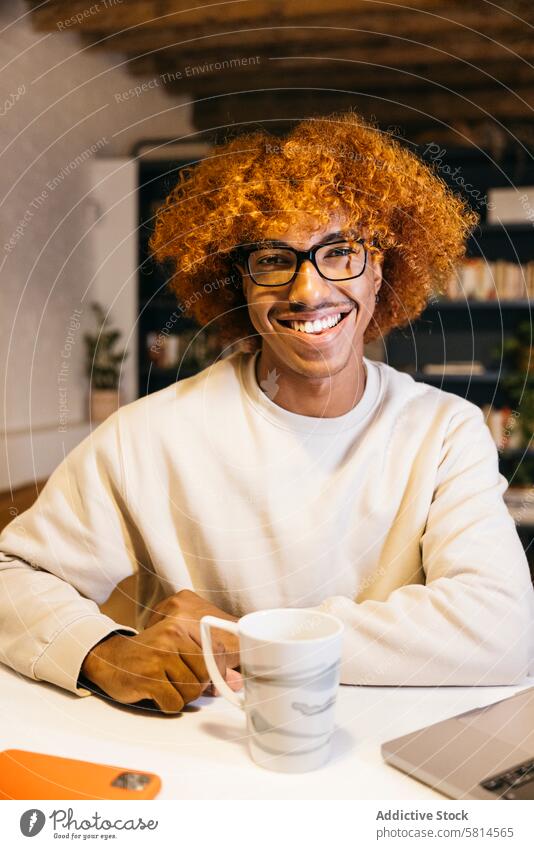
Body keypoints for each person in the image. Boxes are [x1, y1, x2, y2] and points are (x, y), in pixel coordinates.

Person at [1, 112, 532, 715]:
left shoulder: (443, 432)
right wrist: (101, 650)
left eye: (339, 252)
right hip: (208, 758)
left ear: (380, 271)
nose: (307, 292)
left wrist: (245, 640)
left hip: (382, 762)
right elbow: (12, 575)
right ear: (239, 286)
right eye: (275, 260)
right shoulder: (150, 434)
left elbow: (503, 629)